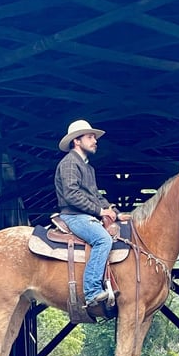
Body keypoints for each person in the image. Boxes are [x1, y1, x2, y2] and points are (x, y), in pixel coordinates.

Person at [54, 120, 118, 308]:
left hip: (84, 215)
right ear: (77, 141)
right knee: (103, 240)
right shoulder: (69, 163)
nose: (95, 141)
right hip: (73, 216)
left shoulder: (87, 167)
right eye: (90, 137)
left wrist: (114, 212)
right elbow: (71, 194)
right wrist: (99, 211)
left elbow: (96, 195)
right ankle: (91, 292)